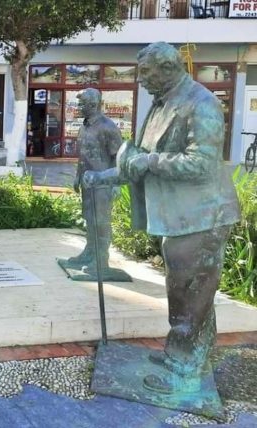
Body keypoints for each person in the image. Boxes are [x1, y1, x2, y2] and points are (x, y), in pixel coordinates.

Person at [84, 42, 240, 394]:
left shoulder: (201, 103)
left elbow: (202, 164)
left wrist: (149, 162)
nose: (139, 80)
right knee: (190, 296)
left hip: (203, 216)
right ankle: (184, 357)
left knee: (189, 297)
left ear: (168, 69)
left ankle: (184, 373)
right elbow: (137, 160)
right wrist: (102, 177)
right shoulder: (161, 103)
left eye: (145, 73)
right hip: (181, 217)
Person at [59, 88, 129, 281]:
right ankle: (89, 254)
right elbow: (83, 156)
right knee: (90, 220)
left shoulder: (108, 127)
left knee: (101, 222)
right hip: (87, 183)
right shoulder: (84, 126)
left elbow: (119, 158)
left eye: (81, 104)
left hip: (103, 183)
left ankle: (101, 261)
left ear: (93, 105)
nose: (78, 107)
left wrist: (116, 184)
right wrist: (77, 176)